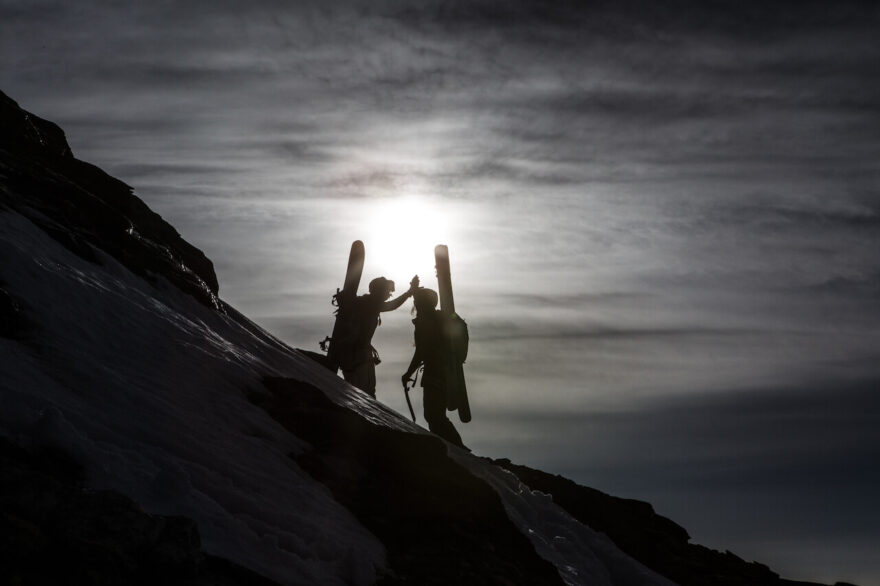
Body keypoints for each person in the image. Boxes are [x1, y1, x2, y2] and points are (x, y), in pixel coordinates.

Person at [401, 288, 466, 449]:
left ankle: (455, 449)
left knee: (434, 415)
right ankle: (453, 447)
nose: (416, 304)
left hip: (435, 374)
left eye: (418, 301)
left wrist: (408, 372)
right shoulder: (441, 318)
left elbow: (421, 351)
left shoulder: (427, 322)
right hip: (445, 373)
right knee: (435, 415)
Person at [342, 275, 419, 397]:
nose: (389, 295)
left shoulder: (363, 303)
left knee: (360, 392)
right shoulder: (369, 303)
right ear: (379, 291)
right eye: (387, 291)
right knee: (364, 394)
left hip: (354, 356)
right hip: (358, 356)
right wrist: (409, 292)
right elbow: (392, 305)